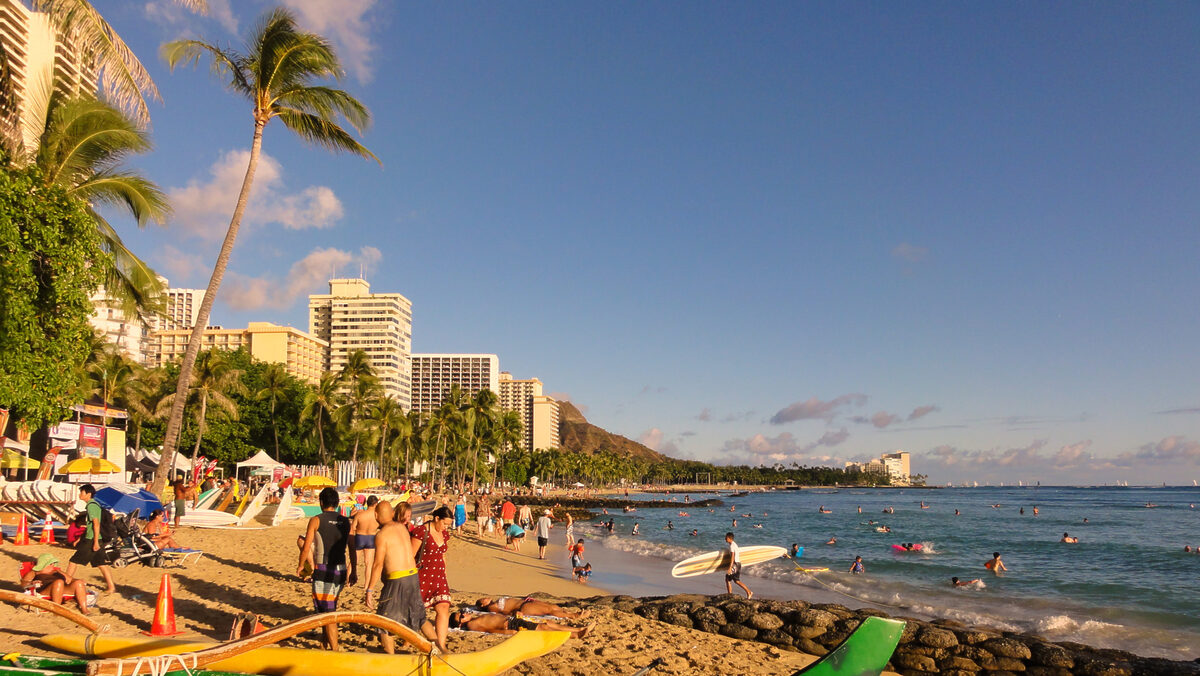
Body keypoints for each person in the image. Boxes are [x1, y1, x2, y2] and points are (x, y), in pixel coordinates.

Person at [368, 501, 437, 654]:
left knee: (384, 621)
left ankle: (391, 659)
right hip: (413, 576)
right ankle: (440, 648)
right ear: (392, 513)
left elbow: (378, 564)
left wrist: (370, 589)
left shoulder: (381, 535)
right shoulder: (402, 528)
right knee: (420, 617)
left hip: (398, 579)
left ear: (376, 515)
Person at [298, 487, 355, 650]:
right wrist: (355, 570)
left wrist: (301, 565)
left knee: (328, 614)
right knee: (327, 608)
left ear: (321, 502)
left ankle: (335, 651)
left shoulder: (316, 520)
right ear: (337, 503)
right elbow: (352, 547)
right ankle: (324, 646)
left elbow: (307, 545)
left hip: (324, 570)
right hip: (341, 569)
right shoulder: (345, 521)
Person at [412, 506, 454, 653]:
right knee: (418, 611)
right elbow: (411, 555)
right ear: (437, 518)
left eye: (448, 524)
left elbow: (443, 555)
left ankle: (441, 645)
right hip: (422, 575)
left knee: (443, 608)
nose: (446, 527)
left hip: (439, 575)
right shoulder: (421, 532)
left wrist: (445, 572)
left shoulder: (444, 534)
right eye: (445, 523)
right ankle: (407, 640)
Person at [64, 484, 116, 595]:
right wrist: (80, 539)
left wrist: (96, 541)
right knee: (101, 564)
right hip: (94, 538)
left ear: (88, 494)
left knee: (73, 561)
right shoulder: (93, 505)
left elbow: (96, 524)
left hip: (92, 539)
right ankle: (111, 587)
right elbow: (91, 526)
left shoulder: (92, 506)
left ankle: (66, 584)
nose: (80, 494)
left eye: (82, 492)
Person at [21, 553, 90, 615]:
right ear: (44, 563)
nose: (53, 565)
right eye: (51, 563)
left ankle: (85, 610)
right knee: (59, 582)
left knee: (78, 583)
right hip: (45, 590)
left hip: (62, 588)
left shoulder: (57, 571)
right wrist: (31, 583)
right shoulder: (35, 572)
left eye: (54, 563)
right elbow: (23, 584)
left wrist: (79, 580)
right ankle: (57, 610)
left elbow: (70, 580)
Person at [449, 610, 593, 638]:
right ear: (460, 624)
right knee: (544, 628)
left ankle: (579, 628)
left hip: (512, 621)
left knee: (546, 623)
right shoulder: (472, 625)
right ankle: (575, 635)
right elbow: (490, 630)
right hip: (512, 626)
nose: (465, 613)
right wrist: (508, 633)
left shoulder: (474, 619)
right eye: (461, 616)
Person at [351, 495, 380, 605]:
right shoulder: (377, 516)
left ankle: (349, 582)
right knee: (368, 564)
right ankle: (366, 585)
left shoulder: (360, 514)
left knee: (354, 561)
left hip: (360, 536)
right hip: (371, 538)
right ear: (376, 504)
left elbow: (353, 527)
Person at [475, 596, 588, 619]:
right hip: (524, 608)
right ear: (482, 605)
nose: (485, 598)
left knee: (552, 606)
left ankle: (570, 613)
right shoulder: (491, 608)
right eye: (483, 599)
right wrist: (515, 614)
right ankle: (574, 616)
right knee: (549, 610)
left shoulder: (495, 602)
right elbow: (504, 613)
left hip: (525, 603)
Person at [723, 532, 752, 598]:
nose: (725, 538)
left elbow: (733, 556)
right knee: (733, 580)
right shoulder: (733, 544)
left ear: (729, 538)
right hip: (737, 564)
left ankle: (748, 592)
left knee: (731, 580)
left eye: (726, 537)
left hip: (735, 564)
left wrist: (730, 567)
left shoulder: (732, 546)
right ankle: (731, 594)